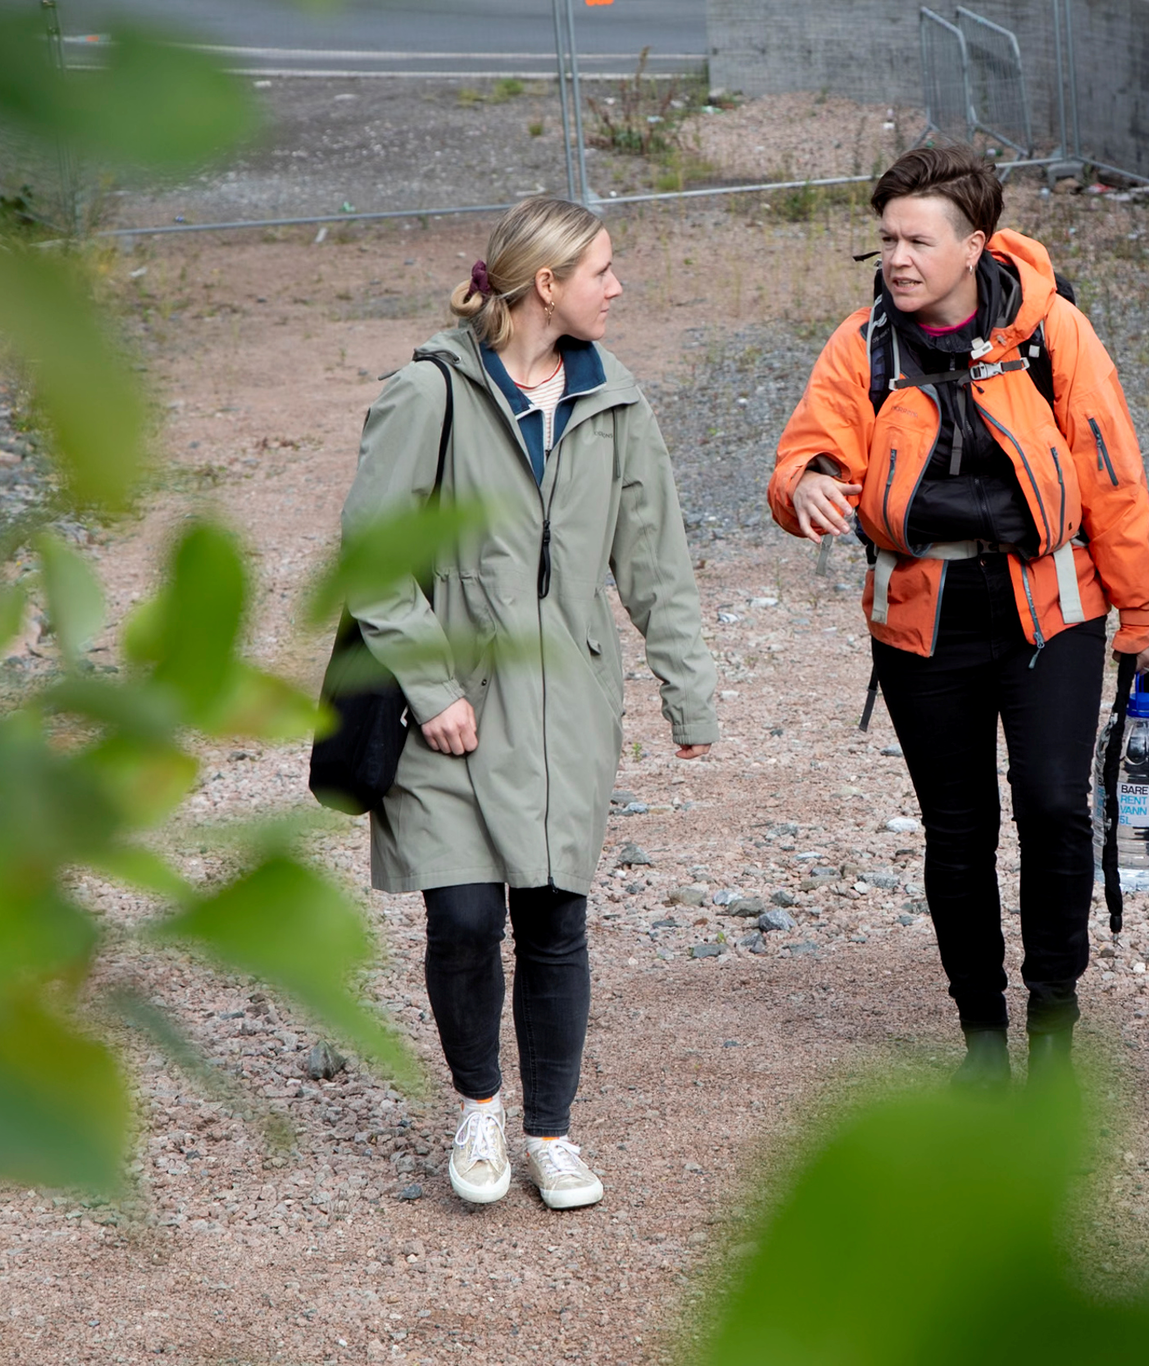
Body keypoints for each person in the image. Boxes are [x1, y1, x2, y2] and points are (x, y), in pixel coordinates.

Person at [341, 196, 718, 1206]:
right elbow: (373, 558)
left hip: (565, 708)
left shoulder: (616, 401)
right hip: (445, 711)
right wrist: (431, 689)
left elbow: (656, 562)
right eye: (602, 270)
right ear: (545, 285)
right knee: (464, 917)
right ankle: (479, 1106)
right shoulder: (429, 391)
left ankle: (551, 1133)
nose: (618, 287)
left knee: (553, 919)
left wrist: (688, 694)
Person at [768, 146, 1149, 1085]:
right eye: (887, 241)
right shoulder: (862, 345)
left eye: (917, 241)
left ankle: (1054, 1028)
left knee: (1055, 808)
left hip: (1050, 608)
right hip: (924, 615)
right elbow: (805, 458)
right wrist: (808, 483)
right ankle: (983, 1043)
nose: (897, 259)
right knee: (959, 831)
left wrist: (1139, 611)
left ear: (975, 245)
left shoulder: (1052, 331)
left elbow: (1111, 473)